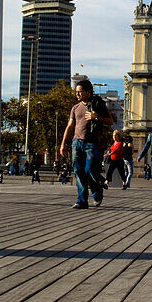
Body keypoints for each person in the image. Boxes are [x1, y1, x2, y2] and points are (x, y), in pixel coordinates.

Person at [59, 79, 113, 209]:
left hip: (92, 144)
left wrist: (97, 117)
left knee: (90, 171)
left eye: (80, 92)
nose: (77, 94)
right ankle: (82, 200)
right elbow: (70, 126)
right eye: (76, 92)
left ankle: (97, 191)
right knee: (78, 171)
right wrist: (63, 144)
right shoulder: (75, 108)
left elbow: (110, 121)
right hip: (77, 143)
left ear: (88, 92)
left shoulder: (98, 105)